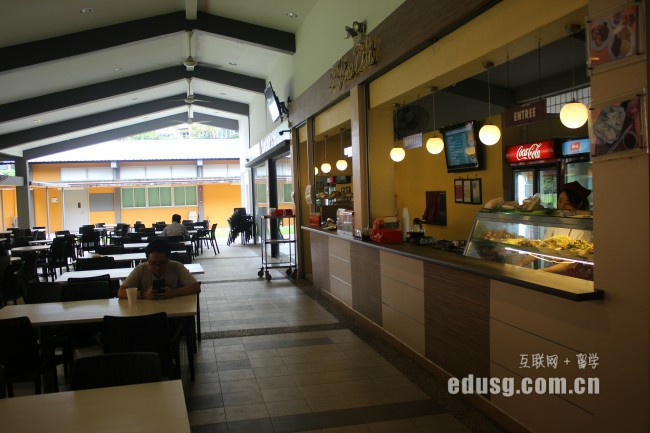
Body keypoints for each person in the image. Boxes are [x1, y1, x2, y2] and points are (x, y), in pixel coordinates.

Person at [117, 238, 200, 300]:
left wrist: (173, 292)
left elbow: (196, 287)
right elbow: (121, 292)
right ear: (147, 260)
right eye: (153, 263)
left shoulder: (177, 267)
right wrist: (144, 295)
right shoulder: (140, 269)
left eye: (162, 263)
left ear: (168, 258)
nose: (157, 267)